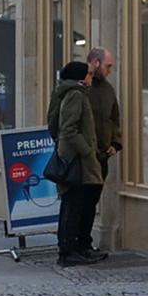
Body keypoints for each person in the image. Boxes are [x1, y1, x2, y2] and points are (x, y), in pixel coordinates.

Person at [49, 59, 105, 266]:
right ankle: (67, 251)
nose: (92, 77)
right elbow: (68, 128)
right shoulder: (75, 95)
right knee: (72, 205)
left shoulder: (74, 93)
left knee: (75, 204)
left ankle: (73, 248)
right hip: (75, 160)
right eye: (89, 74)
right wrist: (87, 150)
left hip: (76, 158)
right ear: (81, 77)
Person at [84, 47, 128, 254]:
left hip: (102, 154)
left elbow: (114, 118)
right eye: (108, 66)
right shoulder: (83, 87)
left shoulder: (108, 89)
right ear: (95, 63)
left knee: (92, 199)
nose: (109, 71)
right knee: (79, 202)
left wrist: (115, 143)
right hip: (85, 155)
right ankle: (75, 244)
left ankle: (85, 243)